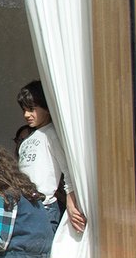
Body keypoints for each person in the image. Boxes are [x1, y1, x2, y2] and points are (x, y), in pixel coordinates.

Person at [16, 80, 86, 234]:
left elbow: (68, 170)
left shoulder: (53, 134)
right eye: (24, 110)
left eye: (32, 109)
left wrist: (71, 202)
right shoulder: (26, 141)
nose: (26, 115)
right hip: (26, 207)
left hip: (44, 206)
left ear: (46, 107)